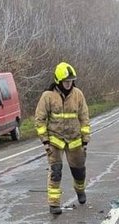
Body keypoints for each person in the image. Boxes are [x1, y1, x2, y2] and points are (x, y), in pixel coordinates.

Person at [35, 62, 91, 214]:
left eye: (71, 81)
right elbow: (40, 119)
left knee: (79, 171)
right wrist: (45, 141)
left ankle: (80, 190)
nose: (69, 84)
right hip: (55, 140)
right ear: (58, 81)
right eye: (66, 81)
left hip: (75, 140)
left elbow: (84, 117)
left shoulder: (78, 94)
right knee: (56, 171)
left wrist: (85, 140)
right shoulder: (48, 96)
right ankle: (54, 204)